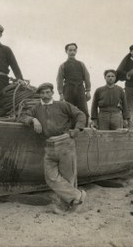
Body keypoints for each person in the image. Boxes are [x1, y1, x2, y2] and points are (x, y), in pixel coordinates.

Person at [19, 82, 86, 212]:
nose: (45, 95)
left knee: (68, 177)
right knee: (50, 177)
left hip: (65, 143)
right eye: (42, 93)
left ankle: (69, 206)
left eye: (48, 92)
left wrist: (77, 129)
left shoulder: (62, 105)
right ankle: (77, 196)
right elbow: (22, 116)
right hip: (48, 145)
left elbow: (80, 115)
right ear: (39, 94)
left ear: (52, 93)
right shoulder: (36, 108)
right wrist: (33, 120)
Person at [56, 43, 91, 126]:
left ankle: (84, 129)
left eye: (74, 50)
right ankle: (69, 129)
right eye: (70, 50)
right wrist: (61, 93)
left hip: (80, 89)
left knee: (84, 110)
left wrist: (88, 90)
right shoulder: (63, 65)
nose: (72, 52)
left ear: (76, 51)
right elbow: (59, 79)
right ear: (66, 51)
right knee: (68, 110)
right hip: (68, 89)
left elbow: (87, 77)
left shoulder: (81, 64)